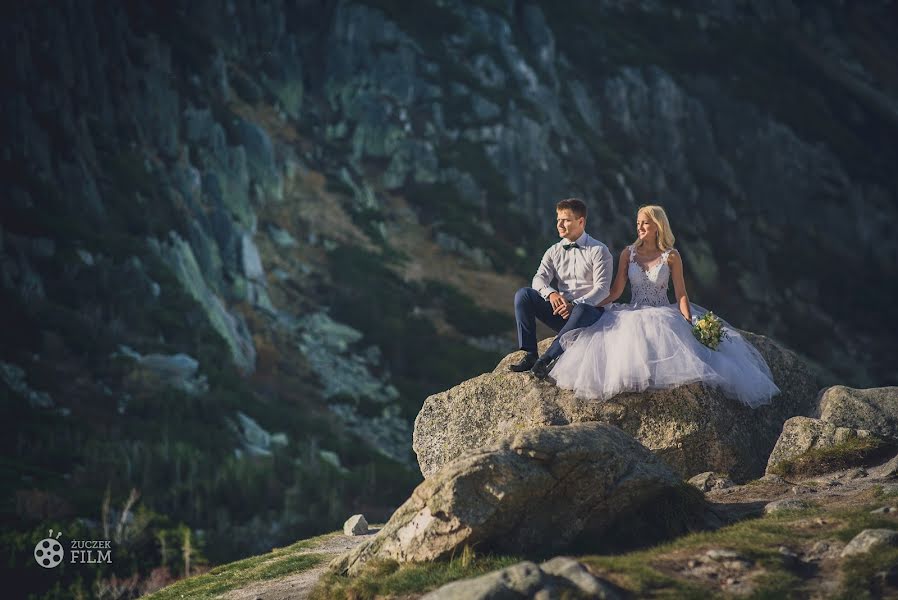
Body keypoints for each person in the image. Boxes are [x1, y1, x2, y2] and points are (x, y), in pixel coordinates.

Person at [547, 205, 780, 408]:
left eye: (645, 223)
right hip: (632, 311)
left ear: (657, 225)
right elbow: (616, 290)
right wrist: (586, 305)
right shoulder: (628, 253)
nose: (639, 228)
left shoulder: (672, 256)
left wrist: (690, 320)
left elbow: (680, 294)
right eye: (638, 223)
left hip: (662, 311)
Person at [510, 198, 613, 377]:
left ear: (580, 222)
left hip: (591, 316)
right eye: (558, 219)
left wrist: (574, 305)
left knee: (581, 308)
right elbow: (538, 279)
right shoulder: (553, 251)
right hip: (563, 315)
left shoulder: (599, 250)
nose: (559, 224)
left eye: (565, 220)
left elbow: (603, 289)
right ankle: (531, 354)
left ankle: (547, 359)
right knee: (523, 295)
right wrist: (551, 294)